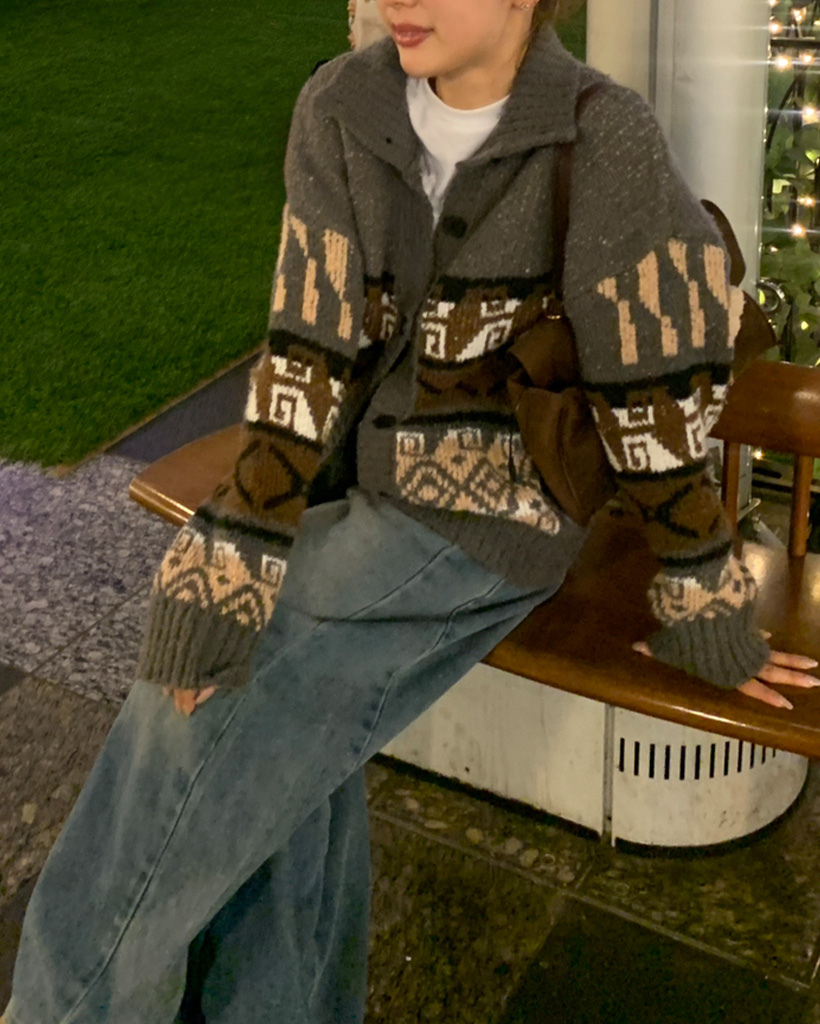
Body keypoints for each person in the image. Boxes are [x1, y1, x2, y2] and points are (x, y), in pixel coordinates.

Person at [4, 1, 819, 1022]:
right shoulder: (340, 105)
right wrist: (241, 537)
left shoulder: (601, 134)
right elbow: (309, 341)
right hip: (357, 483)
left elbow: (646, 395)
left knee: (213, 694)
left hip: (499, 513)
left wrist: (705, 603)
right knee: (272, 726)